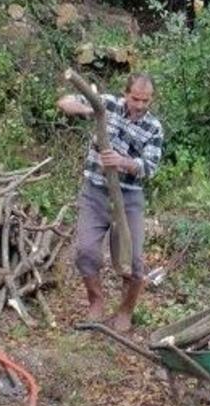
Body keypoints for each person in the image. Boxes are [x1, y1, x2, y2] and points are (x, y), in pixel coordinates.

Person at [57, 73, 164, 332]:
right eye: (135, 98)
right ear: (125, 93)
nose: (139, 105)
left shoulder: (154, 127)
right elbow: (64, 101)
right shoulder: (106, 104)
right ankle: (96, 300)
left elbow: (149, 167)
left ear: (151, 99)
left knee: (134, 261)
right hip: (95, 192)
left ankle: (125, 310)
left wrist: (122, 162)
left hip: (128, 198)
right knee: (86, 252)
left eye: (145, 100)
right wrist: (90, 109)